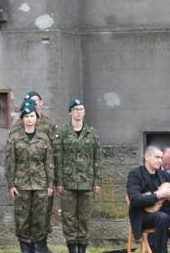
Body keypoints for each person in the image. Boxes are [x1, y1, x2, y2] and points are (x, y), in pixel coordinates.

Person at [12, 91, 60, 251]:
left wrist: (50, 183)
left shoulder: (44, 137)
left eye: (32, 116)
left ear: (36, 117)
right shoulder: (15, 135)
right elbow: (10, 161)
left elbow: (49, 161)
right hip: (22, 184)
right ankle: (26, 248)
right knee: (23, 218)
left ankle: (40, 248)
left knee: (40, 219)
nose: (29, 118)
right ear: (23, 118)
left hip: (40, 183)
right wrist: (12, 184)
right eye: (26, 116)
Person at [55, 98, 101, 253]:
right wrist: (59, 182)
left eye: (81, 109)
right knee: (68, 217)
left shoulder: (92, 132)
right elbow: (58, 158)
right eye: (75, 109)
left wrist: (97, 181)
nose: (78, 112)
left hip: (87, 182)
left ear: (84, 112)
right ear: (70, 112)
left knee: (85, 218)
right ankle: (72, 248)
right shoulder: (62, 132)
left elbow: (97, 158)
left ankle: (82, 248)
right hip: (68, 183)